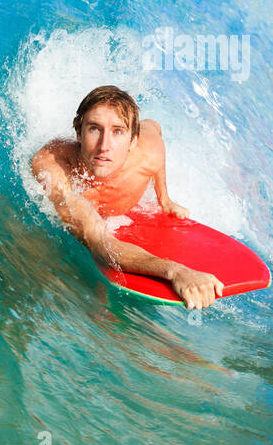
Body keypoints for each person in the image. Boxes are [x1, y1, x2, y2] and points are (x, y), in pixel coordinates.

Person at [30, 85, 224, 309]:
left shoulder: (148, 151)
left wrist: (165, 199)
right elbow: (101, 243)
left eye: (118, 131)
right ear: (78, 133)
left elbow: (155, 129)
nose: (104, 146)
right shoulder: (52, 164)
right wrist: (176, 271)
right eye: (94, 128)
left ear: (133, 141)